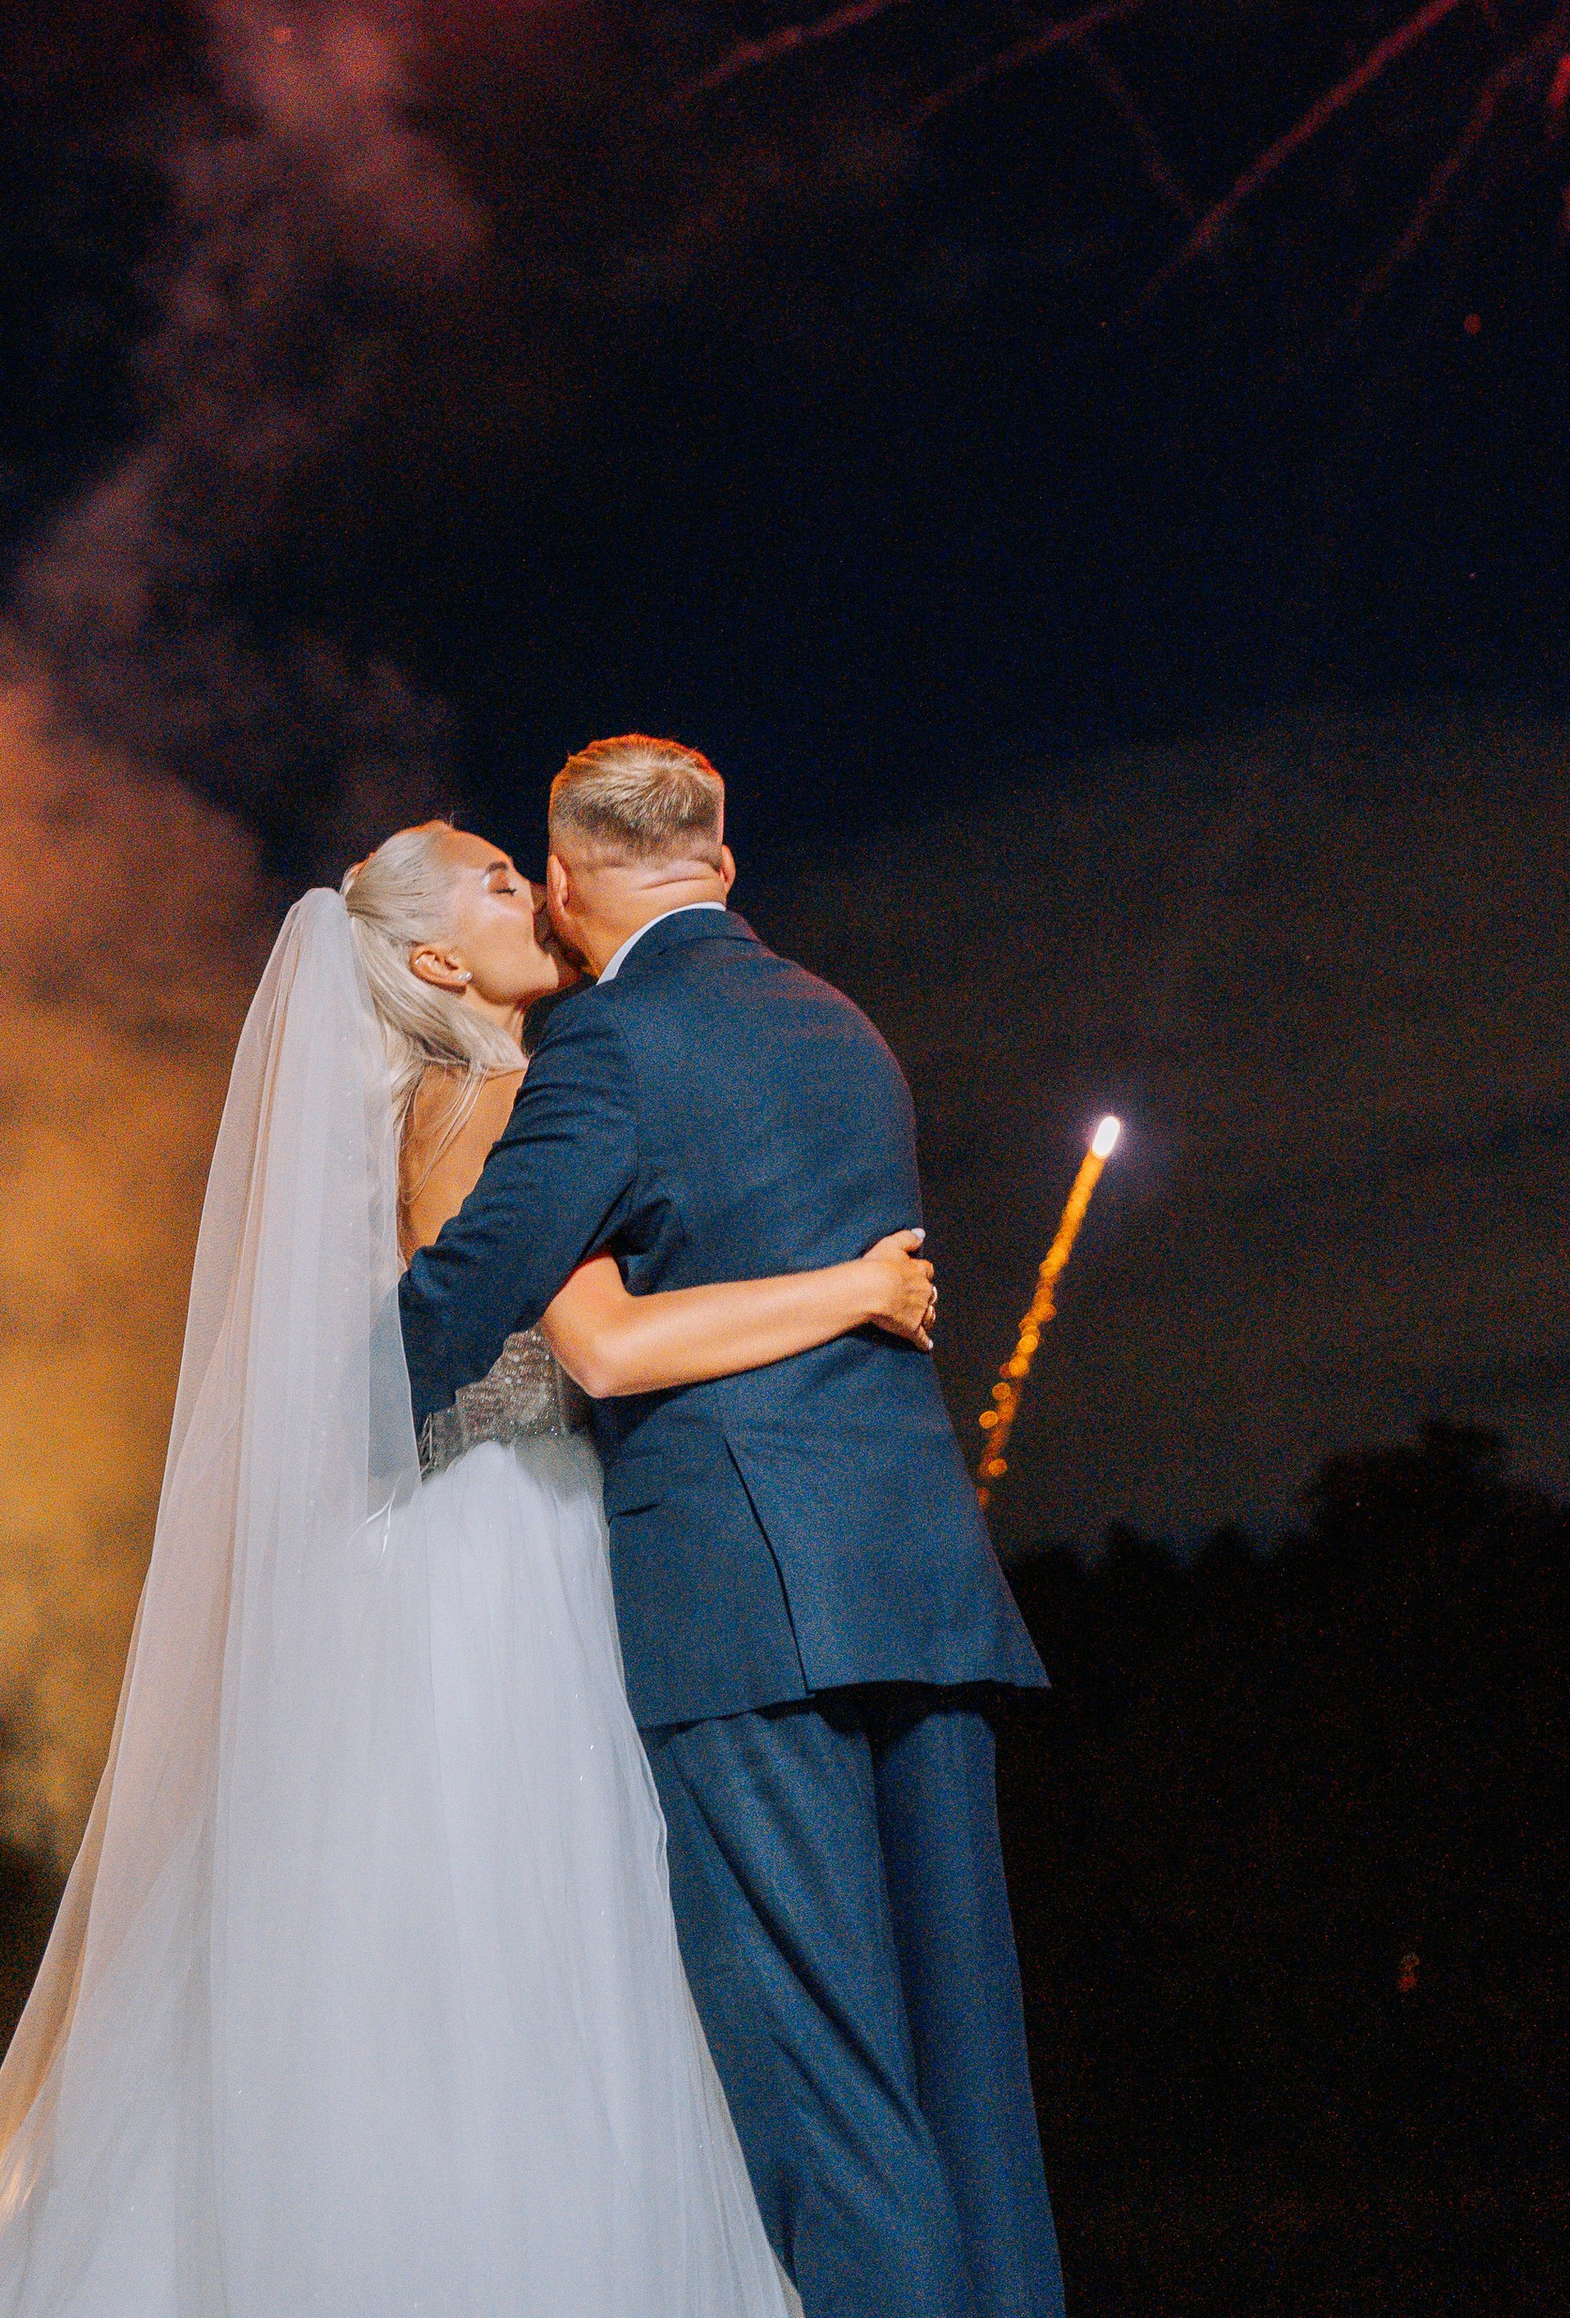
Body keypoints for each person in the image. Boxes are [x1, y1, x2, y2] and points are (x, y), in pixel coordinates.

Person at [0, 840, 934, 2318]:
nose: (541, 893)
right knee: (535, 1972)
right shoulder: (514, 1103)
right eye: (505, 883)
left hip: (414, 1561)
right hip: (504, 1549)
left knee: (386, 1982)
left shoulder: (414, 1110)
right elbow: (606, 1348)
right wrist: (857, 1286)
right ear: (442, 964)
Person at [400, 735, 1065, 2318]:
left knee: (823, 2086)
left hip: (751, 1615)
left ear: (562, 885)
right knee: (968, 2077)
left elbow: (465, 1302)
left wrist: (295, 1400)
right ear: (726, 863)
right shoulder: (849, 1030)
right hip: (924, 1594)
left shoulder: (611, 1043)